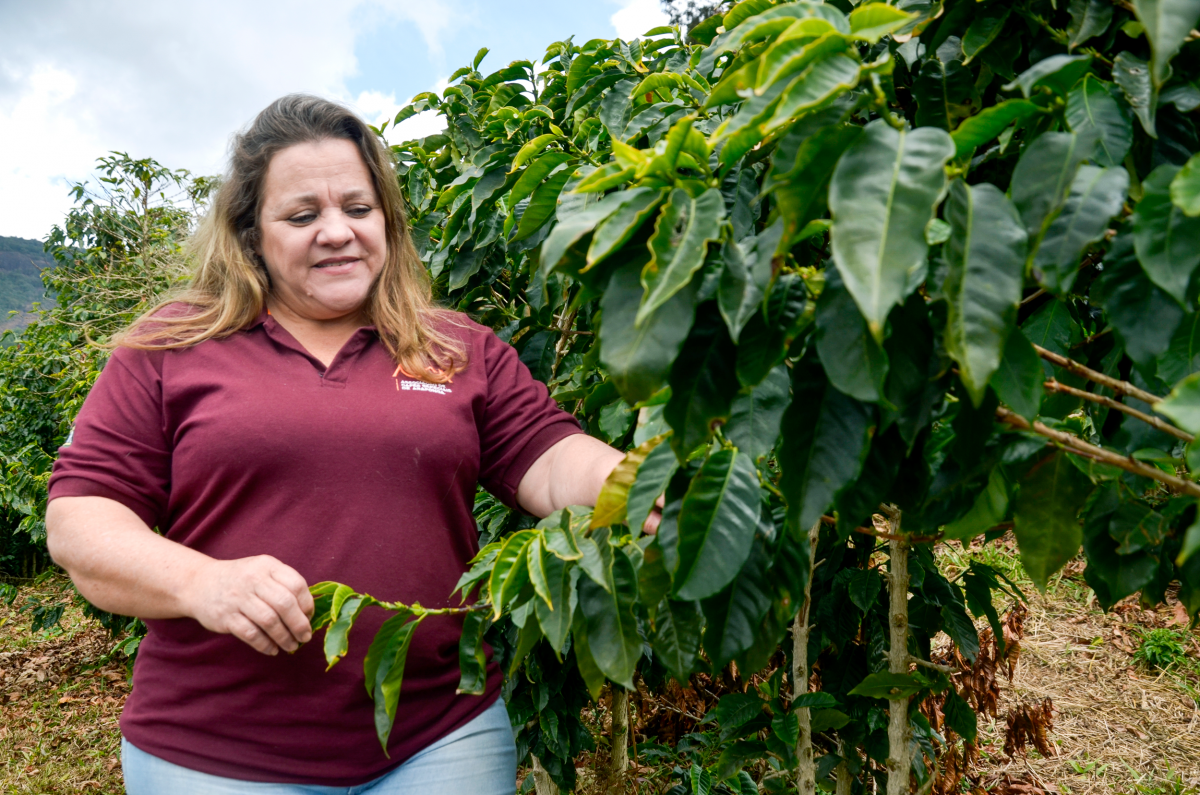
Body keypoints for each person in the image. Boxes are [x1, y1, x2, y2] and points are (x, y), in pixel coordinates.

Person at [44, 94, 644, 795]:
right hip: (215, 753)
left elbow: (550, 457)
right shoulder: (171, 346)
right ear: (250, 235)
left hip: (440, 739)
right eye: (303, 216)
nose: (337, 232)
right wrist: (202, 582)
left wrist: (643, 484)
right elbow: (81, 520)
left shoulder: (454, 346)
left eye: (358, 209)